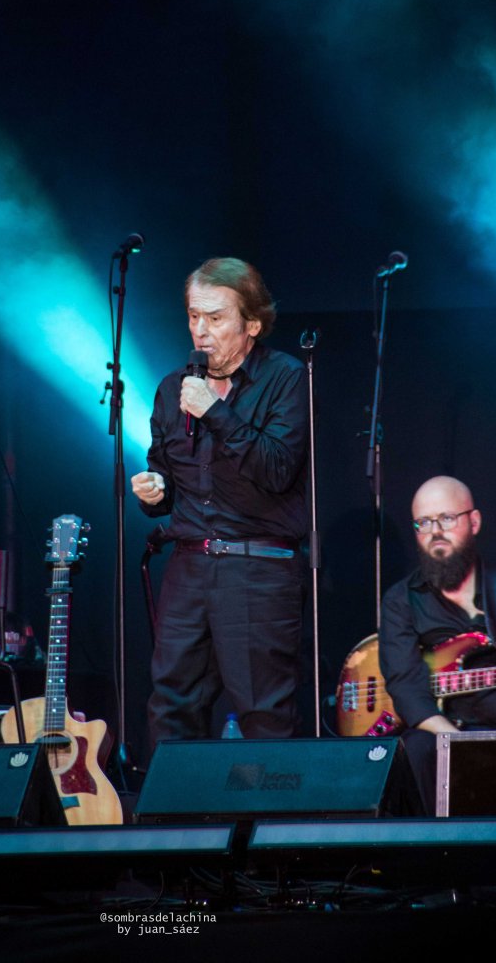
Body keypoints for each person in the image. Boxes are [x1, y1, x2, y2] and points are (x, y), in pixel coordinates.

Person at [131, 257, 308, 743]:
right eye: (194, 316)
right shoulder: (173, 388)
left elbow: (276, 469)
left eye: (215, 317)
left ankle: (267, 797)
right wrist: (153, 490)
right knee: (171, 704)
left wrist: (215, 412)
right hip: (188, 567)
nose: (201, 331)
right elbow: (165, 472)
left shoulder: (286, 379)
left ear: (252, 324)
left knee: (263, 712)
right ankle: (177, 797)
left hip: (258, 567)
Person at [379, 475, 496, 814]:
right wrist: (458, 743)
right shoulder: (401, 600)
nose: (435, 531)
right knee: (415, 749)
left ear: (474, 522)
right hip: (442, 729)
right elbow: (405, 686)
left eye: (447, 518)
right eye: (424, 523)